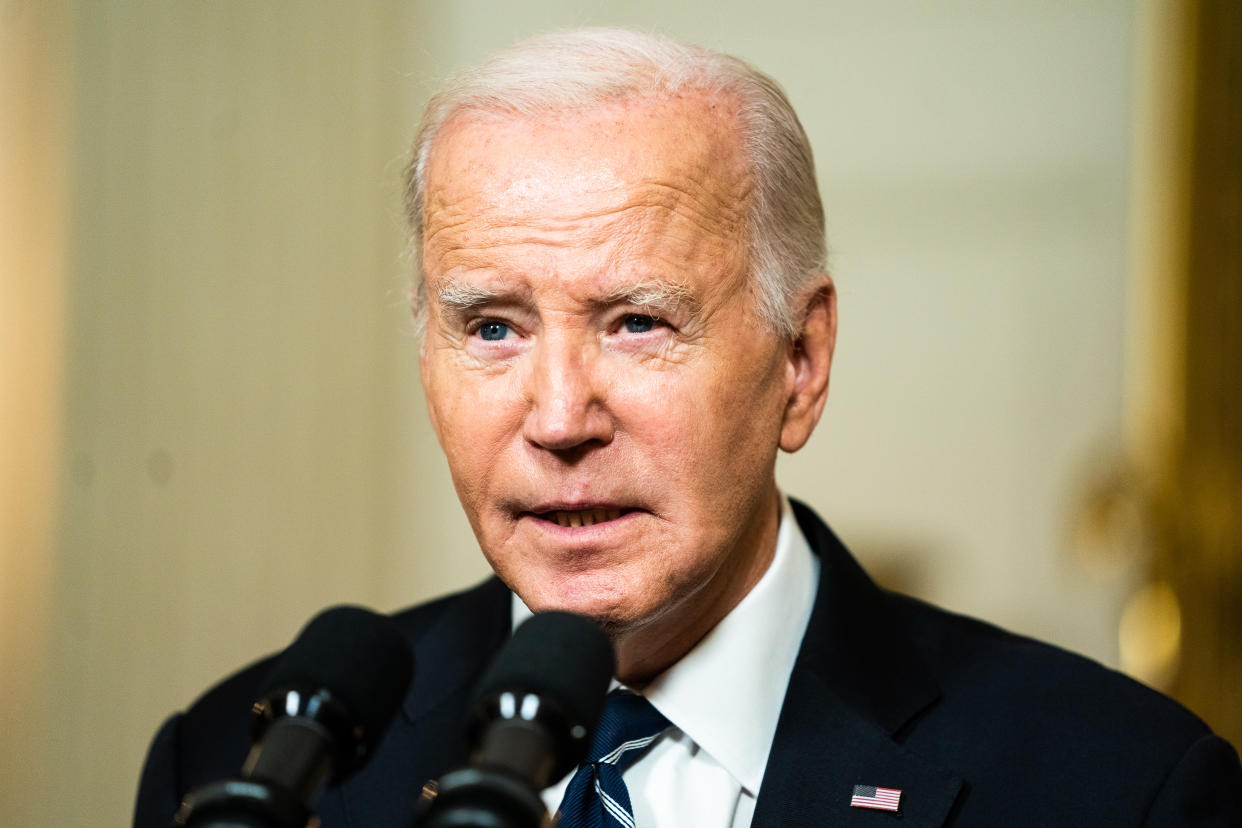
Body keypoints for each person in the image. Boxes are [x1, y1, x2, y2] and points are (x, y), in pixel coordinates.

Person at [135, 28, 1242, 827]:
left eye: (637, 323)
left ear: (800, 366)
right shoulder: (250, 766)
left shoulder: (1112, 786)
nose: (560, 419)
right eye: (492, 328)